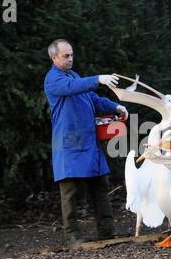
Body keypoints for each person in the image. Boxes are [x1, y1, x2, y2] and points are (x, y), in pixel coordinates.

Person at [44, 39, 128, 246]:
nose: (71, 59)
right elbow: (73, 87)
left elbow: (92, 98)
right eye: (66, 56)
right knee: (70, 191)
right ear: (54, 58)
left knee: (100, 186)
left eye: (72, 55)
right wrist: (99, 78)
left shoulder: (74, 75)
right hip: (69, 143)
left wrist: (115, 106)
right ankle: (72, 236)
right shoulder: (53, 79)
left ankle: (107, 232)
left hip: (89, 142)